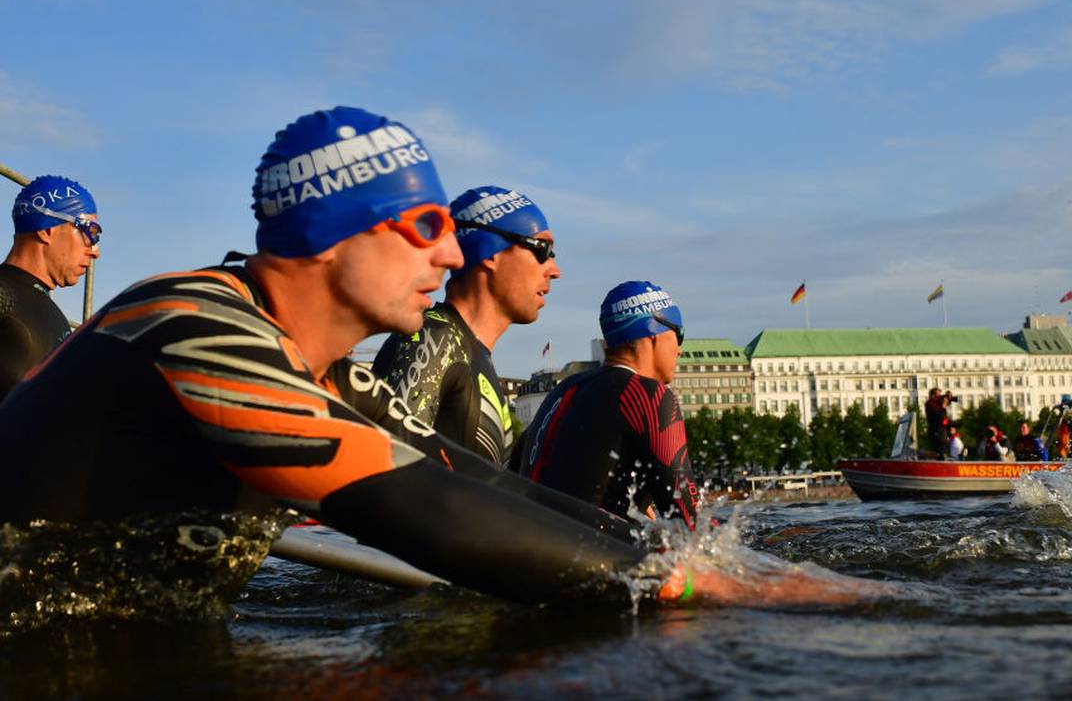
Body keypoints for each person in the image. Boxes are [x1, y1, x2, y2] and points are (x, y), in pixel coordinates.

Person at [0, 107, 850, 608]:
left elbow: (474, 478)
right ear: (334, 235)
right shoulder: (189, 322)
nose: (451, 258)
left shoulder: (329, 376)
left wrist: (721, 562)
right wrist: (699, 593)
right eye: (428, 227)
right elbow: (422, 508)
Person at [373, 185, 560, 465]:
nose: (554, 271)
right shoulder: (434, 338)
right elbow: (385, 471)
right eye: (543, 249)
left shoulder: (470, 352)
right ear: (490, 253)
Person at [510, 281, 700, 530]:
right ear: (655, 334)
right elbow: (689, 520)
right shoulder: (649, 395)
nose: (680, 350)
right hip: (592, 558)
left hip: (532, 546)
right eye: (680, 334)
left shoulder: (560, 392)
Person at [0, 175, 101, 399]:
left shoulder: (56, 318)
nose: (95, 251)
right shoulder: (3, 296)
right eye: (90, 233)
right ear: (47, 229)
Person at [924, 388, 950, 458]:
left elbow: (944, 418)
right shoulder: (930, 404)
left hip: (940, 430)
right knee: (940, 451)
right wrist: (943, 406)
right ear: (933, 396)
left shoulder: (937, 404)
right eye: (938, 396)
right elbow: (940, 416)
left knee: (943, 449)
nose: (940, 397)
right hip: (936, 431)